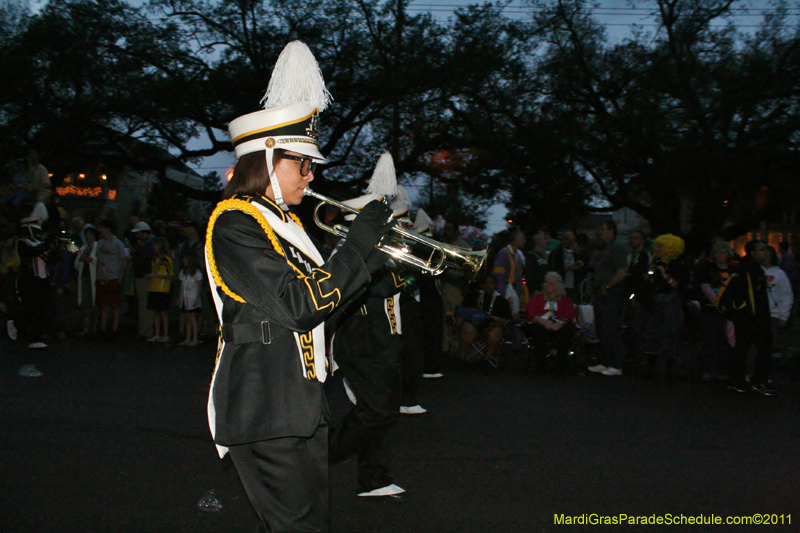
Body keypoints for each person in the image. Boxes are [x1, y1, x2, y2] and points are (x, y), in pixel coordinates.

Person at [204, 41, 395, 533]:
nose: (310, 176)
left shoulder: (283, 224)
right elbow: (298, 305)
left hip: (299, 406)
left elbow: (325, 308)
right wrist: (356, 249)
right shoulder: (236, 223)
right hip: (265, 408)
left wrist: (372, 260)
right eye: (302, 164)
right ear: (267, 160)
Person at [718, 240, 776, 396]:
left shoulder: (747, 268)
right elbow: (752, 296)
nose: (765, 252)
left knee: (742, 348)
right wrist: (757, 319)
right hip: (751, 318)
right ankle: (757, 381)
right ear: (753, 252)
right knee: (761, 349)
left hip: (745, 316)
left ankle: (736, 380)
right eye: (761, 249)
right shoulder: (751, 269)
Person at [639, 234, 688, 380]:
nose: (657, 249)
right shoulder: (656, 261)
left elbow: (676, 284)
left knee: (670, 332)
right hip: (656, 300)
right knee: (653, 331)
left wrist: (664, 273)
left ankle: (669, 366)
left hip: (670, 300)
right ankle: (651, 365)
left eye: (661, 246)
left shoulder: (677, 263)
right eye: (657, 246)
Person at [587, 218, 628, 376]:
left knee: (610, 327)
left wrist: (608, 286)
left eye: (603, 229)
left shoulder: (617, 248)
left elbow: (622, 271)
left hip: (611, 293)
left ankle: (616, 364)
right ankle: (605, 362)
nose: (600, 233)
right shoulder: (603, 249)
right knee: (602, 328)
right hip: (600, 293)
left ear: (611, 231)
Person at [693, 240, 734, 381]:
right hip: (711, 310)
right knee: (709, 341)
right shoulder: (707, 269)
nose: (720, 255)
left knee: (726, 341)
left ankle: (724, 370)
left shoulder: (733, 271)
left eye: (723, 252)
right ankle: (707, 369)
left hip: (730, 311)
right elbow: (705, 287)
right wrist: (717, 303)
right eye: (717, 252)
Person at [525, 271, 576, 374]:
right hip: (540, 324)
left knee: (566, 330)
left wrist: (559, 324)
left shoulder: (566, 300)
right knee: (537, 330)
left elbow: (568, 315)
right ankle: (541, 364)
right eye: (546, 282)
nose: (547, 285)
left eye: (551, 283)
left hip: (558, 325)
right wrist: (545, 323)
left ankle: (560, 363)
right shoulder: (536, 298)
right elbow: (530, 313)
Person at [456, 273, 512, 366]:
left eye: (492, 283)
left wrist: (492, 318)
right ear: (482, 285)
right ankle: (461, 359)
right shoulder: (473, 296)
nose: (489, 286)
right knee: (467, 327)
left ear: (495, 285)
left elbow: (506, 319)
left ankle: (485, 360)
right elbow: (462, 312)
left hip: (492, 326)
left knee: (497, 331)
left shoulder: (502, 301)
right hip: (474, 324)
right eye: (486, 283)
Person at [95, 218, 129, 334]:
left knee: (114, 304)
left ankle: (115, 327)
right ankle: (103, 327)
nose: (101, 231)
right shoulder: (100, 243)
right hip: (102, 277)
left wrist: (120, 277)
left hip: (113, 276)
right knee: (103, 304)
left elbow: (124, 260)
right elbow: (97, 259)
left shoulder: (117, 243)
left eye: (102, 228)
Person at [130, 221, 155, 339]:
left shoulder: (148, 246)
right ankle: (144, 328)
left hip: (145, 276)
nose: (137, 236)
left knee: (145, 304)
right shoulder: (146, 245)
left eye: (139, 233)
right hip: (142, 276)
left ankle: (146, 329)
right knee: (143, 303)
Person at [493, 228, 526, 317]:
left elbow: (518, 276)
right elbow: (498, 276)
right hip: (505, 291)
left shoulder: (518, 256)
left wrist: (520, 293)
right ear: (515, 240)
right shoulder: (503, 254)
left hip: (513, 290)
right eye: (522, 239)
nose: (524, 241)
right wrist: (501, 294)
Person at [146, 237, 173, 343]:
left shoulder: (166, 259)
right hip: (153, 288)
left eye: (156, 245)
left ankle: (165, 334)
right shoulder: (154, 259)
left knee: (163, 313)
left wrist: (156, 275)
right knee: (155, 312)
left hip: (163, 289)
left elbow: (170, 275)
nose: (154, 247)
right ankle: (156, 334)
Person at [75, 226, 99, 336]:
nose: (88, 237)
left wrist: (91, 260)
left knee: (94, 302)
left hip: (95, 278)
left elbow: (100, 261)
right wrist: (81, 260)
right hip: (84, 277)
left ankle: (95, 327)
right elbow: (76, 264)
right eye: (86, 235)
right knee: (85, 301)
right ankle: (86, 327)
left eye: (90, 234)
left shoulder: (98, 247)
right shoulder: (83, 248)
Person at [547, 231, 585, 301]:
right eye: (570, 241)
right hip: (561, 284)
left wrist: (579, 264)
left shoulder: (575, 252)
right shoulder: (557, 252)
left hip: (573, 284)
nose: (572, 243)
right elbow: (553, 269)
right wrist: (566, 269)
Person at [178, 252, 203, 346]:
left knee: (192, 318)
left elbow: (199, 287)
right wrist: (179, 298)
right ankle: (188, 338)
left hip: (192, 297)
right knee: (188, 318)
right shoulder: (183, 272)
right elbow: (182, 287)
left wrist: (197, 299)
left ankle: (195, 338)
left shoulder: (197, 273)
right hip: (185, 297)